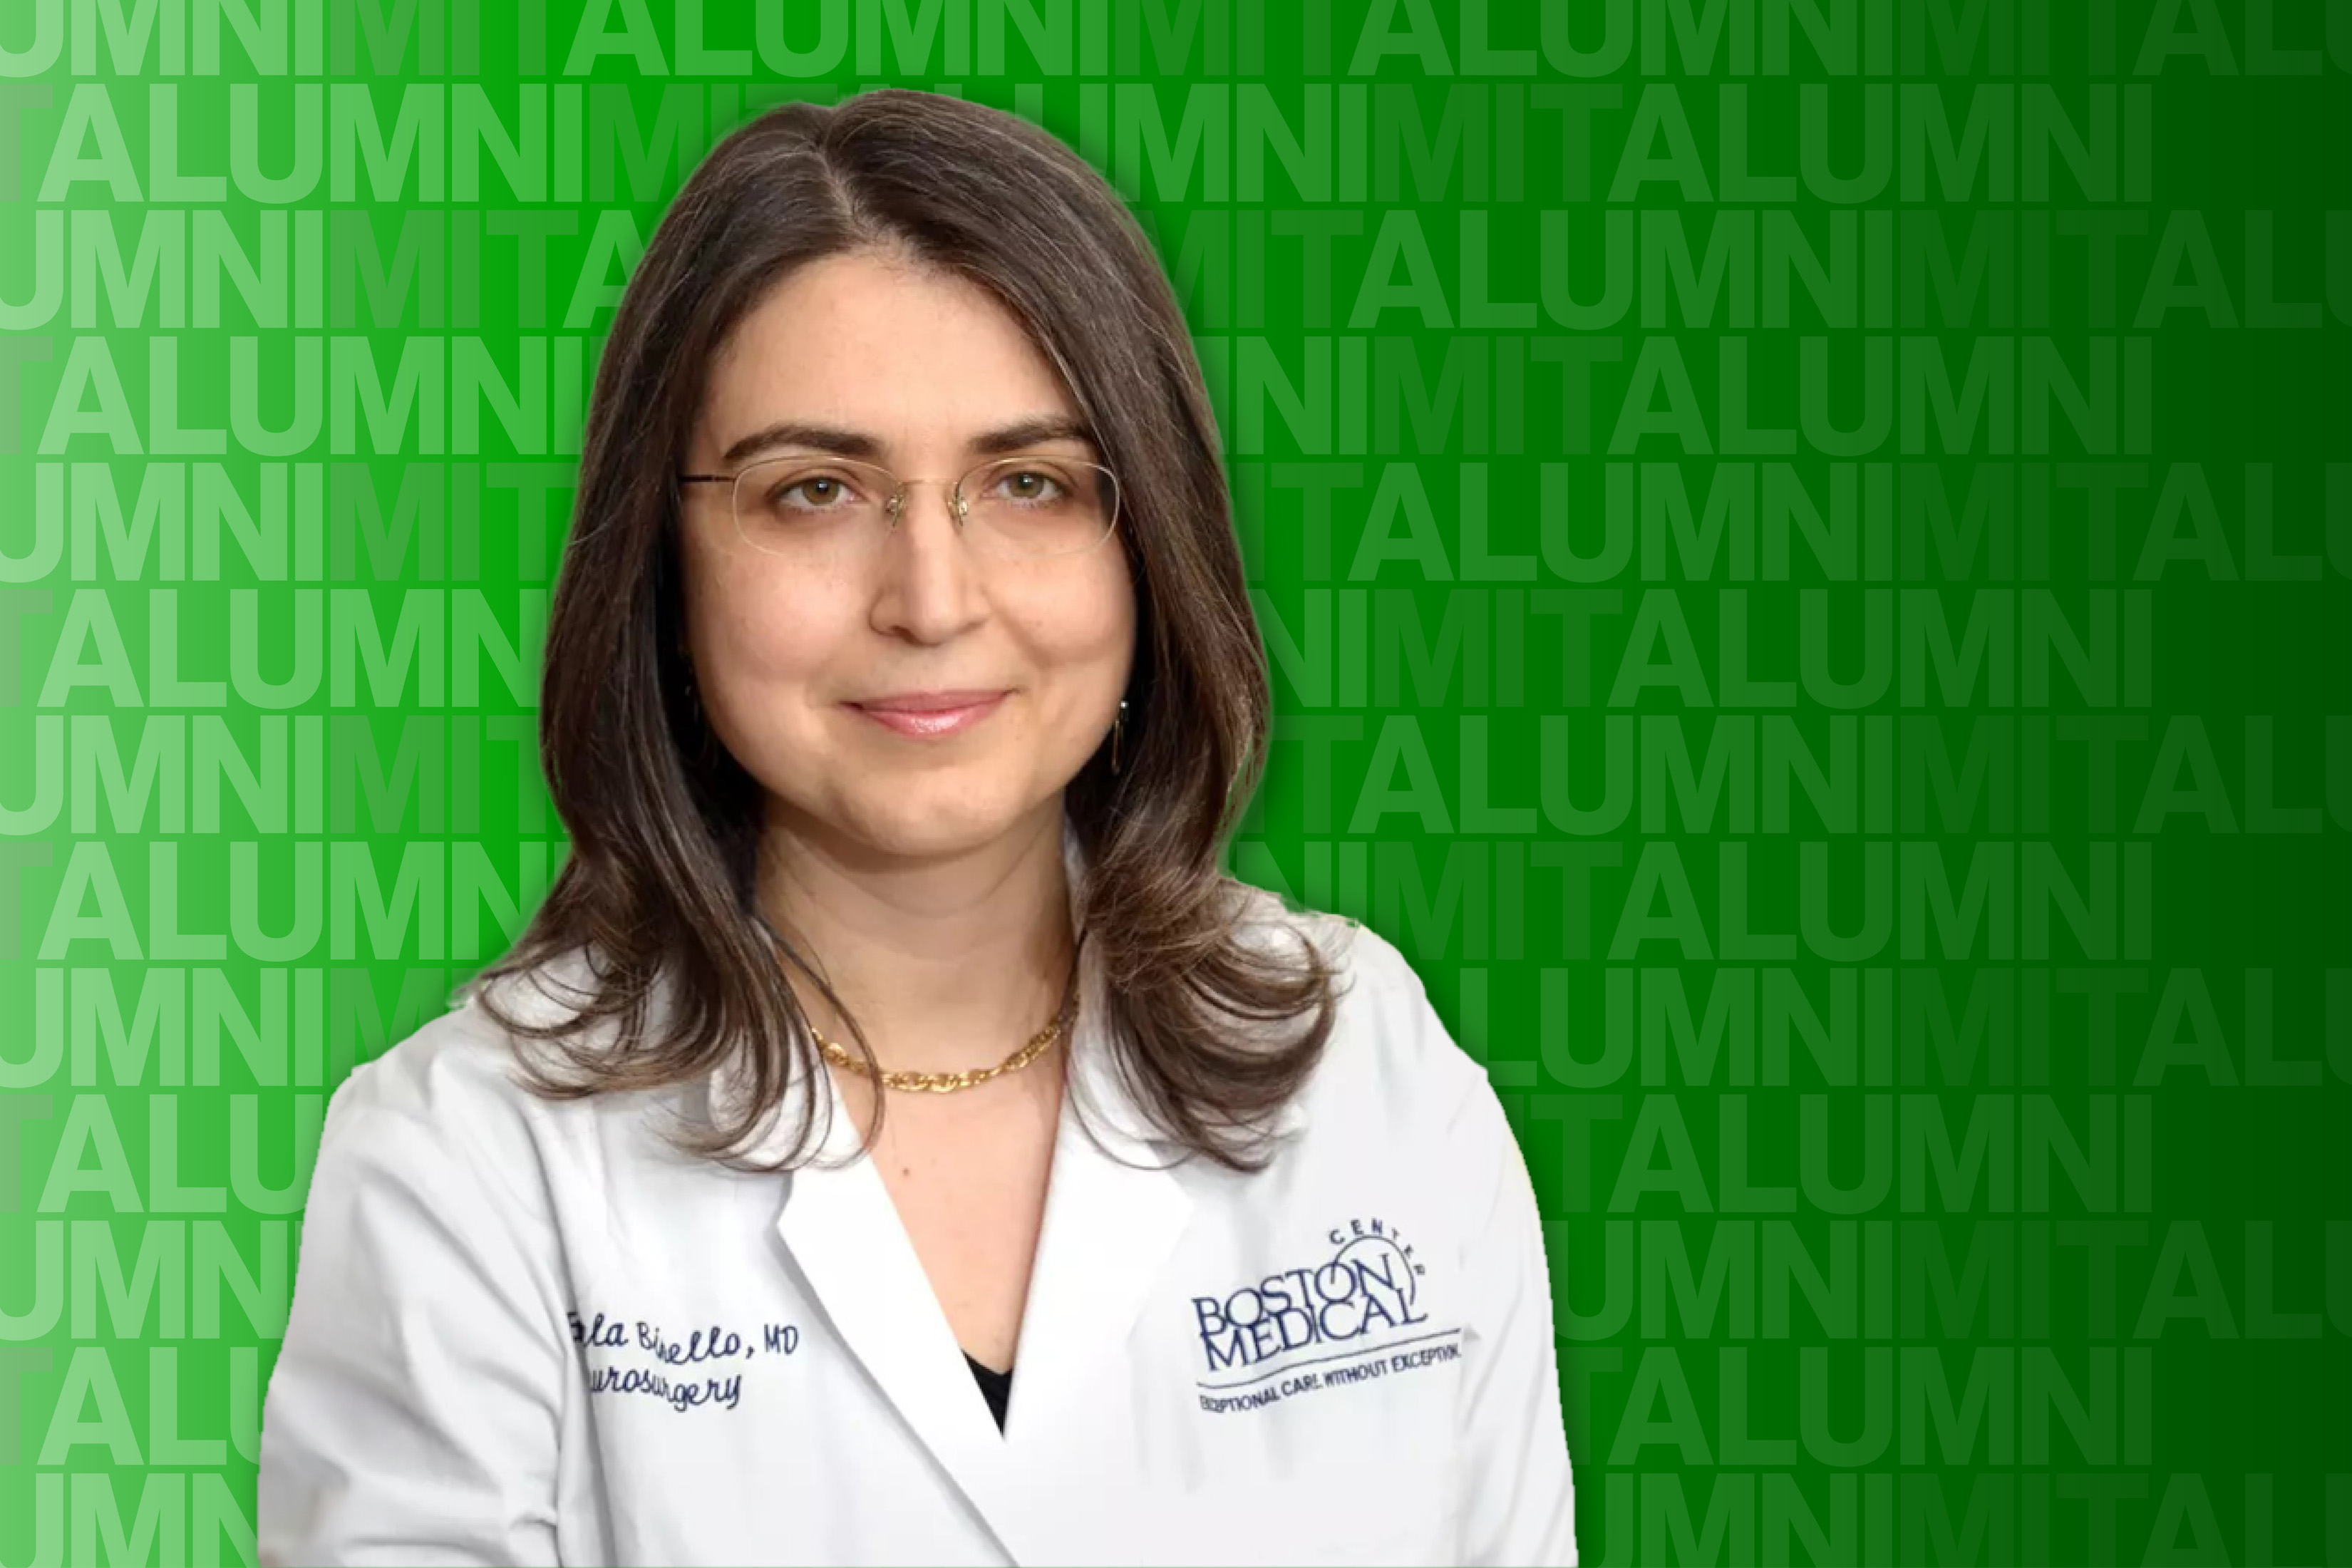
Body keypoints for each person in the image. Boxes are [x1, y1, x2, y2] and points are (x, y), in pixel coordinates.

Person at [255, 87, 1577, 1567]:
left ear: (1148, 540)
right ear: (662, 553)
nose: (934, 598)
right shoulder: (474, 1163)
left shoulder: (1370, 1075)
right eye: (816, 492)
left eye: (1029, 483)